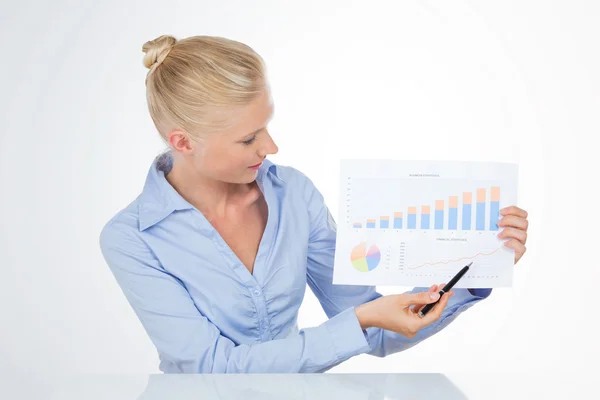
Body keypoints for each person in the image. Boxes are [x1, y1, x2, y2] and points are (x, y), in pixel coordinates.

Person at [99, 34, 529, 374]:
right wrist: (360, 322)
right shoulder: (132, 238)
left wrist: (475, 266)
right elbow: (211, 368)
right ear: (183, 142)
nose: (271, 146)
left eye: (266, 125)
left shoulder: (294, 194)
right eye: (249, 138)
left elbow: (375, 328)